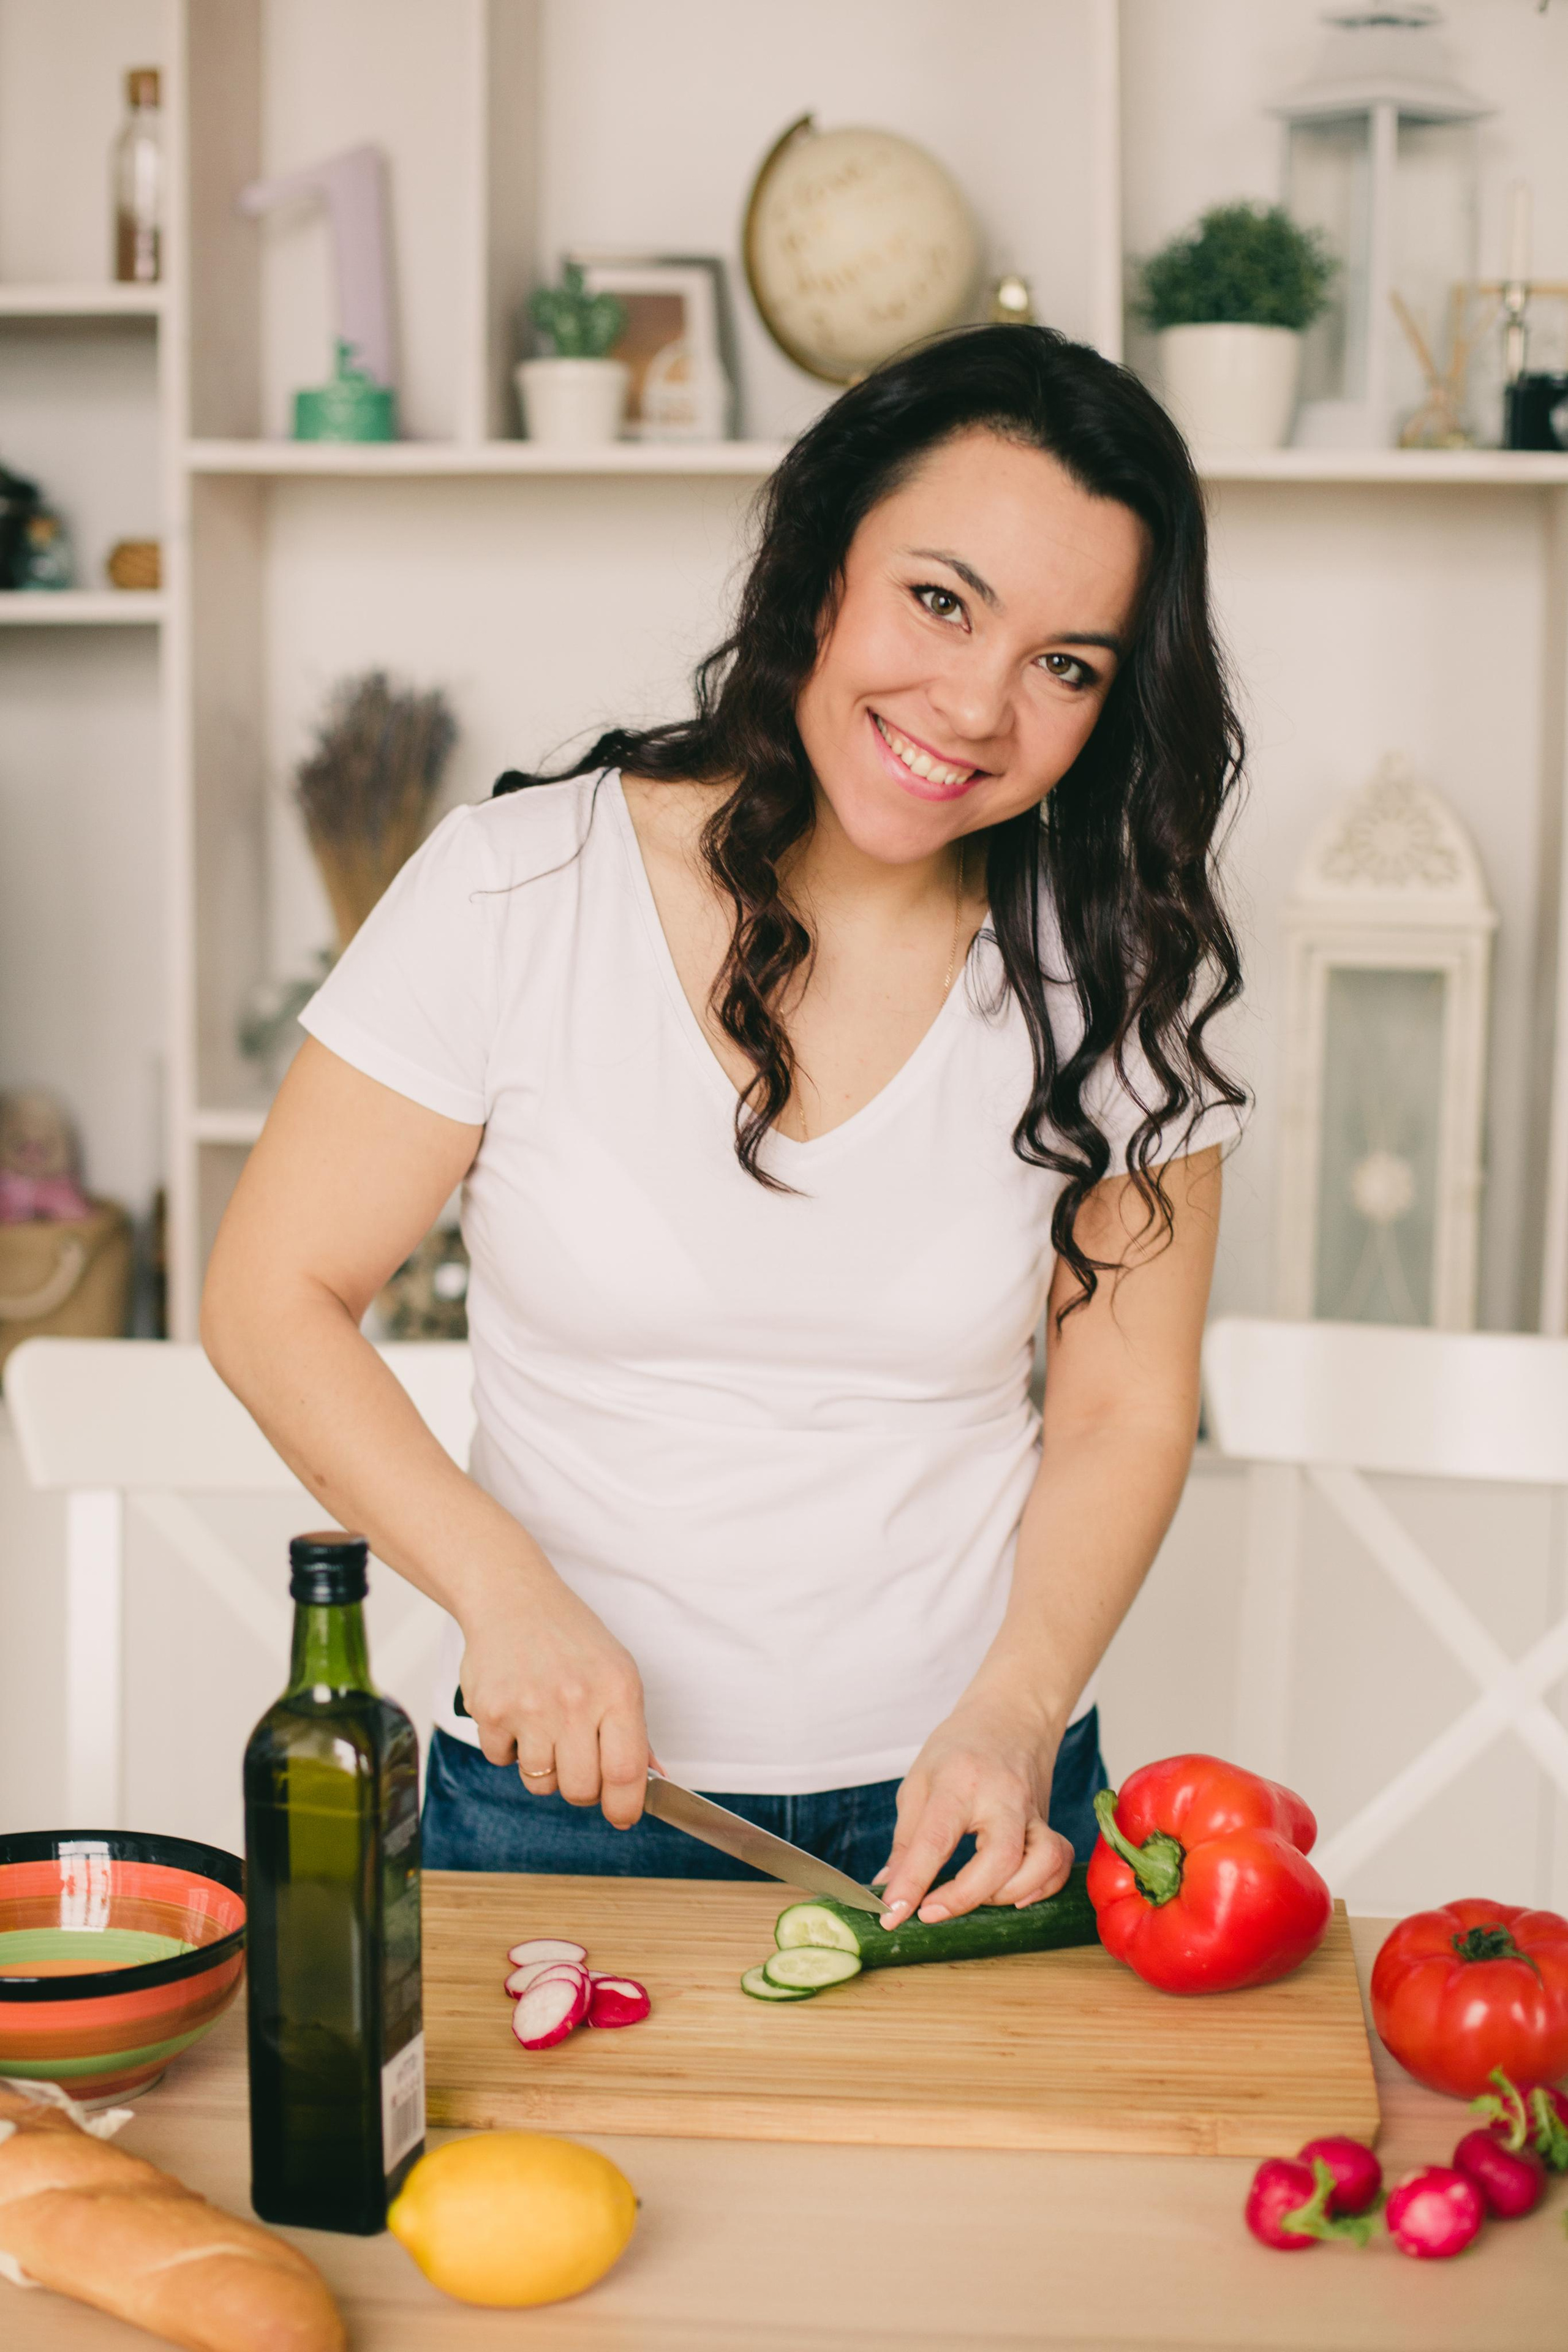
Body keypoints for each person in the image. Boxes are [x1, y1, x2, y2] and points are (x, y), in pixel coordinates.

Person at [203, 324, 1245, 1933]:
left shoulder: (1119, 977)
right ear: (821, 564)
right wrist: (504, 1593)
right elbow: (270, 1297)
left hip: (966, 1811)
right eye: (941, 599)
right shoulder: (517, 890)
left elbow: (1122, 1410)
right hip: (557, 1803)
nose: (975, 704)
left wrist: (1017, 1715)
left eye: (1067, 664)